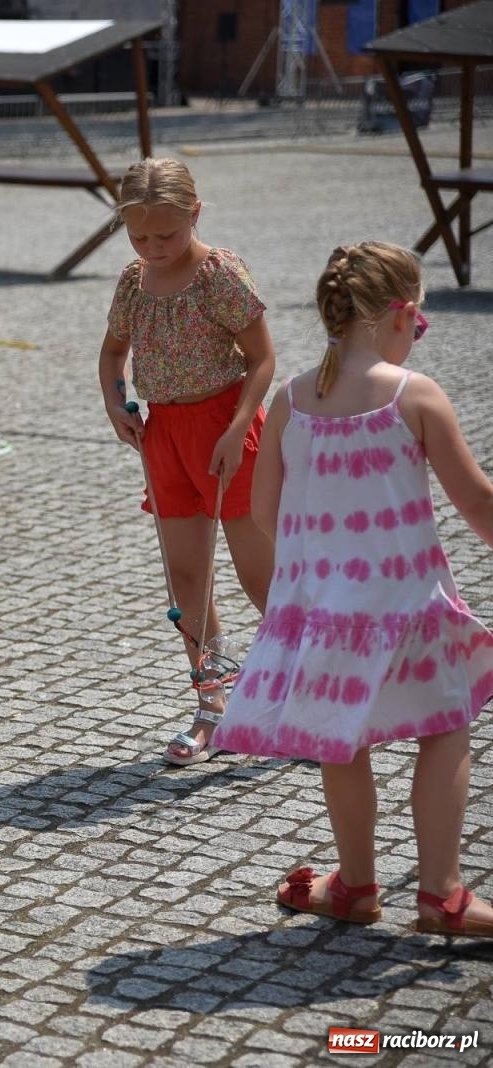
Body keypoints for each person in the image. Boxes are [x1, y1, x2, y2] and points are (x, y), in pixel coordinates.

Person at [215, 243, 493, 936]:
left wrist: (327, 562)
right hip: (408, 604)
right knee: (447, 723)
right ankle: (443, 895)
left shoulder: (290, 401)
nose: (417, 334)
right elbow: (479, 507)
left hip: (325, 614)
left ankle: (358, 888)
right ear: (398, 317)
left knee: (344, 743)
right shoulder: (414, 394)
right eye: (419, 321)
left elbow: (262, 513)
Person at [97, 158, 276, 765]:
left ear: (194, 214)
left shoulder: (218, 274)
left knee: (260, 576)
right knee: (188, 580)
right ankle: (212, 706)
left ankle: (309, 694)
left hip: (227, 429)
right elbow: (112, 353)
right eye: (139, 236)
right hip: (165, 435)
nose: (152, 247)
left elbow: (263, 360)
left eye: (166, 235)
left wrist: (234, 430)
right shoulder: (133, 279)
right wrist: (115, 402)